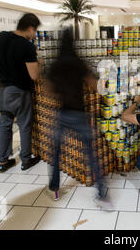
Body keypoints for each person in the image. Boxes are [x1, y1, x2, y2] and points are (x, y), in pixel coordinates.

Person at [46, 28, 106, 202]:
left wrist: (61, 91)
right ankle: (101, 193)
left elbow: (49, 90)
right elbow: (96, 86)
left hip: (62, 114)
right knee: (91, 154)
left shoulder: (55, 65)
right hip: (80, 115)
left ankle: (55, 189)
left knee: (55, 154)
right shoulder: (79, 62)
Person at [0, 13, 41, 172]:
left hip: (0, 90)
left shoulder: (1, 37)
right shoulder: (27, 46)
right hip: (18, 91)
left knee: (5, 124)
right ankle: (26, 160)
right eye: (34, 31)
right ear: (29, 28)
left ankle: (3, 161)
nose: (34, 35)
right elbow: (34, 75)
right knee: (24, 125)